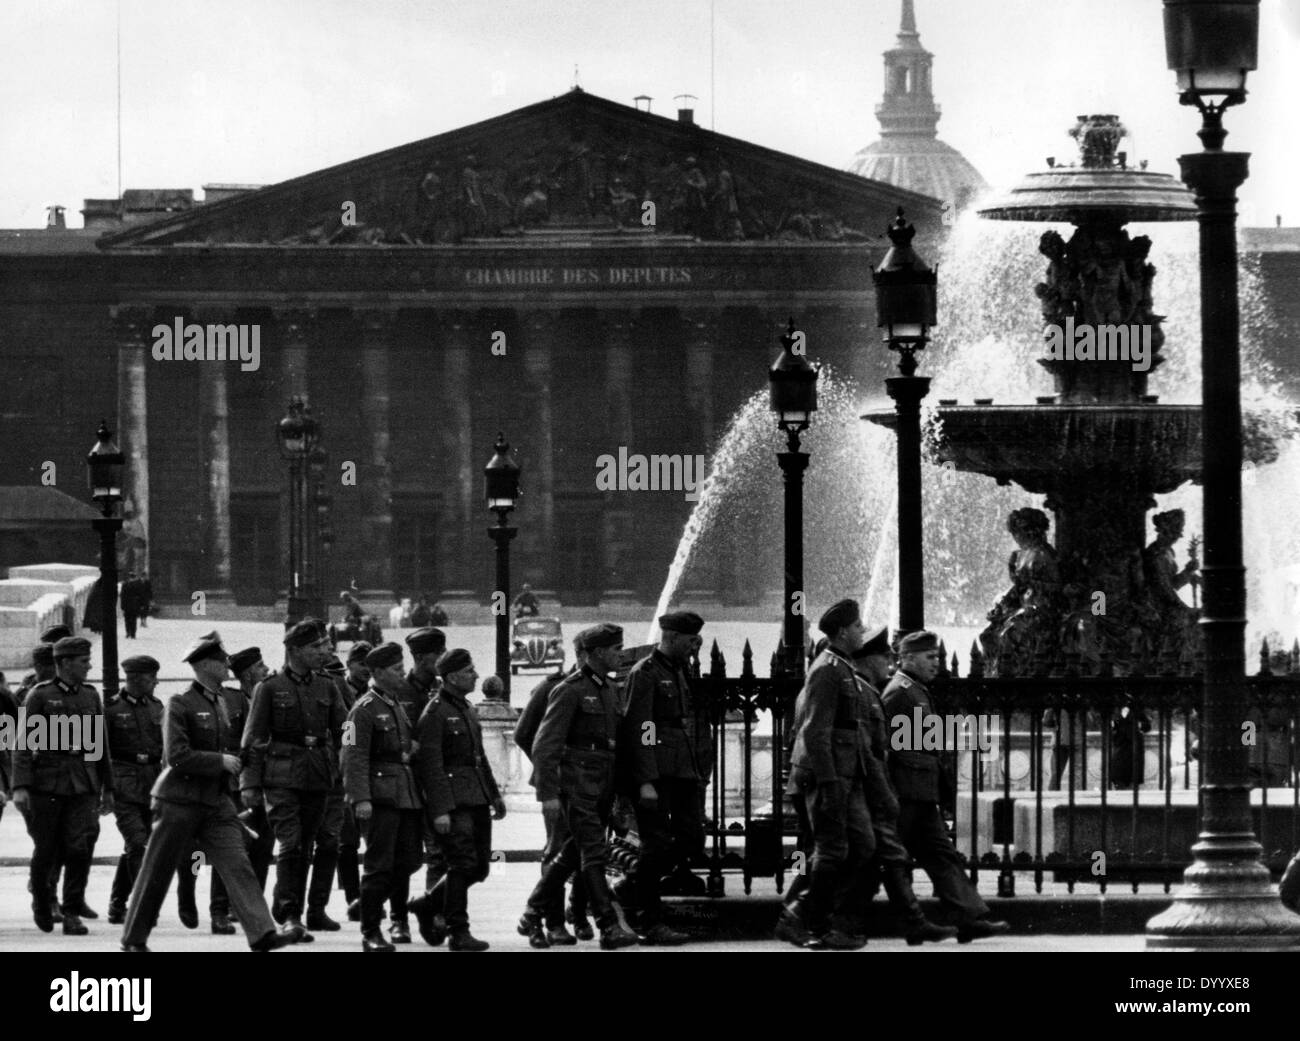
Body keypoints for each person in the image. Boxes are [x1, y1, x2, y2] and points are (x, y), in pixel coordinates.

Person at [119, 634, 303, 952]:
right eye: (221, 660)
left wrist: (247, 757)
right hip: (179, 799)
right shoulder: (181, 703)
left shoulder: (226, 701)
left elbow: (240, 744)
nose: (227, 664)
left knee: (238, 863)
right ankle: (133, 939)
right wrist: (220, 761)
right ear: (205, 665)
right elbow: (175, 755)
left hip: (216, 801)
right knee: (156, 872)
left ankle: (262, 933)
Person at [883, 630, 1010, 943]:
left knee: (942, 855)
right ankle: (841, 917)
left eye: (937, 657)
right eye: (930, 657)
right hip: (905, 793)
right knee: (890, 860)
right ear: (908, 657)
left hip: (921, 793)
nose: (936, 663)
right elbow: (887, 746)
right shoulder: (899, 692)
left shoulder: (915, 690)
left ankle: (969, 918)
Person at [523, 623, 639, 950]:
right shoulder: (569, 689)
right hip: (576, 786)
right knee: (593, 852)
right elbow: (543, 745)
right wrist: (547, 794)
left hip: (600, 788)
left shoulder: (607, 688)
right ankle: (608, 924)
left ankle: (533, 911)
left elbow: (613, 746)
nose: (621, 654)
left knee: (572, 853)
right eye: (616, 649)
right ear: (598, 653)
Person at [240, 618, 348, 940]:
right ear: (295, 650)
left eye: (322, 645)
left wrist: (351, 754)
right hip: (282, 776)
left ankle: (295, 909)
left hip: (318, 775)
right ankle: (289, 913)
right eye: (315, 647)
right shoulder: (269, 688)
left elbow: (346, 726)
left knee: (307, 846)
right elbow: (253, 739)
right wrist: (249, 783)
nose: (322, 651)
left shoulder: (327, 686)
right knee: (290, 842)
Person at [778, 600, 875, 950]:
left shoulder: (841, 666)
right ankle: (803, 919)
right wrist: (831, 782)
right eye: (858, 625)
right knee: (831, 850)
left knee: (861, 846)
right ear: (842, 632)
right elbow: (815, 732)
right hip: (829, 777)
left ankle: (812, 916)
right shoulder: (828, 669)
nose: (863, 629)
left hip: (844, 775)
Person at [850, 630, 957, 945]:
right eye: (885, 657)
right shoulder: (896, 692)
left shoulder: (907, 690)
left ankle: (920, 922)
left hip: (904, 789)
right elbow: (883, 749)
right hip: (895, 790)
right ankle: (815, 917)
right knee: (874, 857)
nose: (888, 663)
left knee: (891, 857)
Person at [618, 610, 710, 945]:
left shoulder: (680, 670)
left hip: (681, 771)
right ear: (670, 637)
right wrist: (645, 780)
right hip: (656, 773)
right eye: (689, 639)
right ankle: (649, 921)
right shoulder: (646, 673)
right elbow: (641, 728)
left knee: (692, 838)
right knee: (655, 845)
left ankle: (631, 885)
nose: (694, 644)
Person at [12, 636, 113, 935]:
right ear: (65, 663)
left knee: (79, 848)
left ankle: (71, 912)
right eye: (83, 662)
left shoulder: (91, 696)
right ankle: (42, 902)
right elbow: (22, 745)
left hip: (82, 783)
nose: (89, 666)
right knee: (46, 850)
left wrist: (109, 788)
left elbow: (99, 746)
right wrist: (21, 787)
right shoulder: (40, 696)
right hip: (47, 783)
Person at [409, 649, 505, 951]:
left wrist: (494, 795)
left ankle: (427, 903)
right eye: (469, 671)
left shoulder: (465, 707)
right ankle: (457, 931)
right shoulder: (435, 712)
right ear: (451, 677)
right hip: (453, 801)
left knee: (479, 868)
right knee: (462, 863)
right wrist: (439, 810)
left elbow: (479, 758)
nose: (476, 675)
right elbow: (430, 766)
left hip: (475, 796)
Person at [341, 642, 424, 952]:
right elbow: (352, 754)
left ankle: (371, 904)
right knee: (379, 864)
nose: (402, 673)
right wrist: (359, 798)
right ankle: (371, 930)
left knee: (410, 859)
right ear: (376, 673)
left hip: (404, 794)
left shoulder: (395, 704)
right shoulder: (361, 710)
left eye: (402, 668)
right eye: (395, 669)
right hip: (379, 797)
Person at [515, 641, 589, 946]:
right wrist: (551, 772)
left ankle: (579, 912)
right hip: (561, 785)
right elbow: (524, 734)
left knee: (588, 851)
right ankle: (552, 921)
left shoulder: (601, 687)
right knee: (558, 851)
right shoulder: (552, 687)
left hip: (591, 785)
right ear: (584, 655)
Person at [104, 655, 168, 925]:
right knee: (138, 844)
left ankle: (118, 902)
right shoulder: (110, 709)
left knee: (142, 846)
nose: (155, 683)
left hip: (152, 783)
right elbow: (99, 753)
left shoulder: (157, 706)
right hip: (124, 784)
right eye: (151, 679)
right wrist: (103, 790)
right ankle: (142, 906)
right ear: (136, 679)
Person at [223, 647, 276, 927]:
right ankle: (228, 906)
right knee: (236, 846)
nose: (266, 670)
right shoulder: (230, 700)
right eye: (260, 666)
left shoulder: (267, 697)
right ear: (246, 674)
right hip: (235, 783)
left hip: (266, 781)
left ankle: (254, 903)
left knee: (263, 844)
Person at [403, 626, 447, 904]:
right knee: (404, 856)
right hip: (405, 782)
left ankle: (433, 912)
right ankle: (397, 917)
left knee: (439, 853)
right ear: (421, 658)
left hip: (435, 782)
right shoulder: (399, 690)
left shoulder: (443, 690)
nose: (444, 658)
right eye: (438, 653)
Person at [120, 573, 145, 640]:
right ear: (135, 577)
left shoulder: (125, 584)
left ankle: (128, 632)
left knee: (127, 619)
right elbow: (141, 595)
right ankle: (133, 633)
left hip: (127, 605)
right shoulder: (138, 585)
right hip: (135, 605)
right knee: (133, 620)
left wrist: (122, 606)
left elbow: (123, 596)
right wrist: (142, 605)